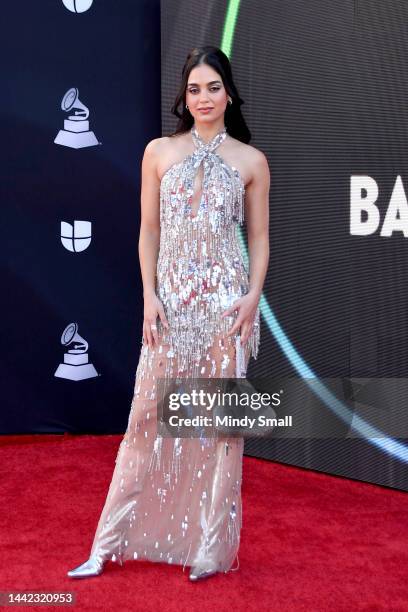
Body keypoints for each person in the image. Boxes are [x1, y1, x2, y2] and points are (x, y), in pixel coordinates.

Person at [67, 45, 269, 582]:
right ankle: (105, 545)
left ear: (230, 93)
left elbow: (260, 238)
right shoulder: (158, 152)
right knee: (144, 420)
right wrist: (149, 294)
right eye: (194, 89)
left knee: (221, 427)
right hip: (171, 305)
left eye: (213, 87)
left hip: (226, 305)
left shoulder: (251, 162)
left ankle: (209, 549)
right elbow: (148, 229)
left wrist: (252, 297)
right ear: (184, 95)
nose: (203, 98)